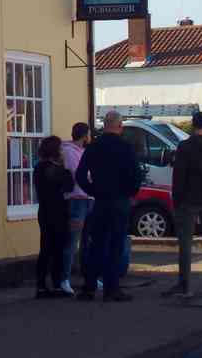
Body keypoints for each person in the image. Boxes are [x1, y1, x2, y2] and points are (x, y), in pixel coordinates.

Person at [76, 111, 141, 302]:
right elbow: (136, 176)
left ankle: (89, 288)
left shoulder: (94, 146)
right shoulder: (126, 147)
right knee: (116, 245)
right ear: (119, 126)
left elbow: (80, 175)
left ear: (104, 125)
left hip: (101, 201)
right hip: (120, 200)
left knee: (96, 245)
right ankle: (112, 289)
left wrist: (93, 190)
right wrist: (130, 194)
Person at [163, 111, 202, 299]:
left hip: (187, 200)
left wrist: (177, 200)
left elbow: (179, 176)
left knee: (185, 243)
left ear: (193, 125)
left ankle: (185, 285)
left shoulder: (184, 147)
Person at [33, 135, 75, 298]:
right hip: (55, 212)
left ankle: (43, 285)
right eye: (61, 149)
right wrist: (65, 168)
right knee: (55, 249)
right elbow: (69, 185)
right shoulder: (52, 169)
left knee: (47, 248)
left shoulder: (40, 167)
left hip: (46, 212)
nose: (63, 151)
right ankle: (54, 284)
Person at [60, 122, 93, 294]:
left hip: (88, 198)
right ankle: (64, 279)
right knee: (72, 242)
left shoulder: (83, 151)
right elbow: (78, 172)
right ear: (84, 135)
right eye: (88, 133)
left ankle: (89, 278)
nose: (90, 136)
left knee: (87, 241)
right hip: (76, 200)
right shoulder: (69, 151)